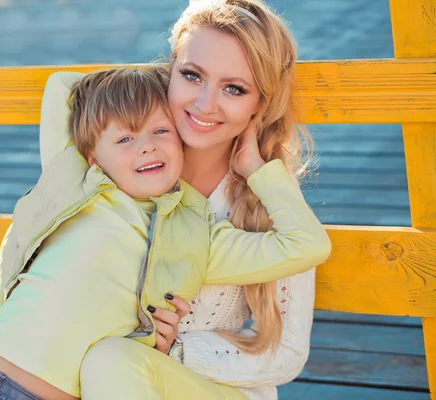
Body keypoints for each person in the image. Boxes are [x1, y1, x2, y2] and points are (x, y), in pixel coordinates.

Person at [0, 65, 330, 400]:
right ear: (93, 155)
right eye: (125, 138)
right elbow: (62, 86)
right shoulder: (81, 183)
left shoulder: (194, 237)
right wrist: (165, 85)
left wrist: (256, 169)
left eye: (161, 130)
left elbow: (306, 245)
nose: (146, 147)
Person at [39, 1, 320, 399]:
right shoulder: (129, 165)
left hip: (214, 390)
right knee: (104, 360)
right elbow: (64, 90)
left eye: (234, 88)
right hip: (110, 381)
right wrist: (154, 88)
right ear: (170, 69)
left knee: (111, 359)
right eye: (192, 75)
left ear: (262, 102)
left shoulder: (270, 201)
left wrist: (178, 350)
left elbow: (286, 353)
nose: (205, 104)